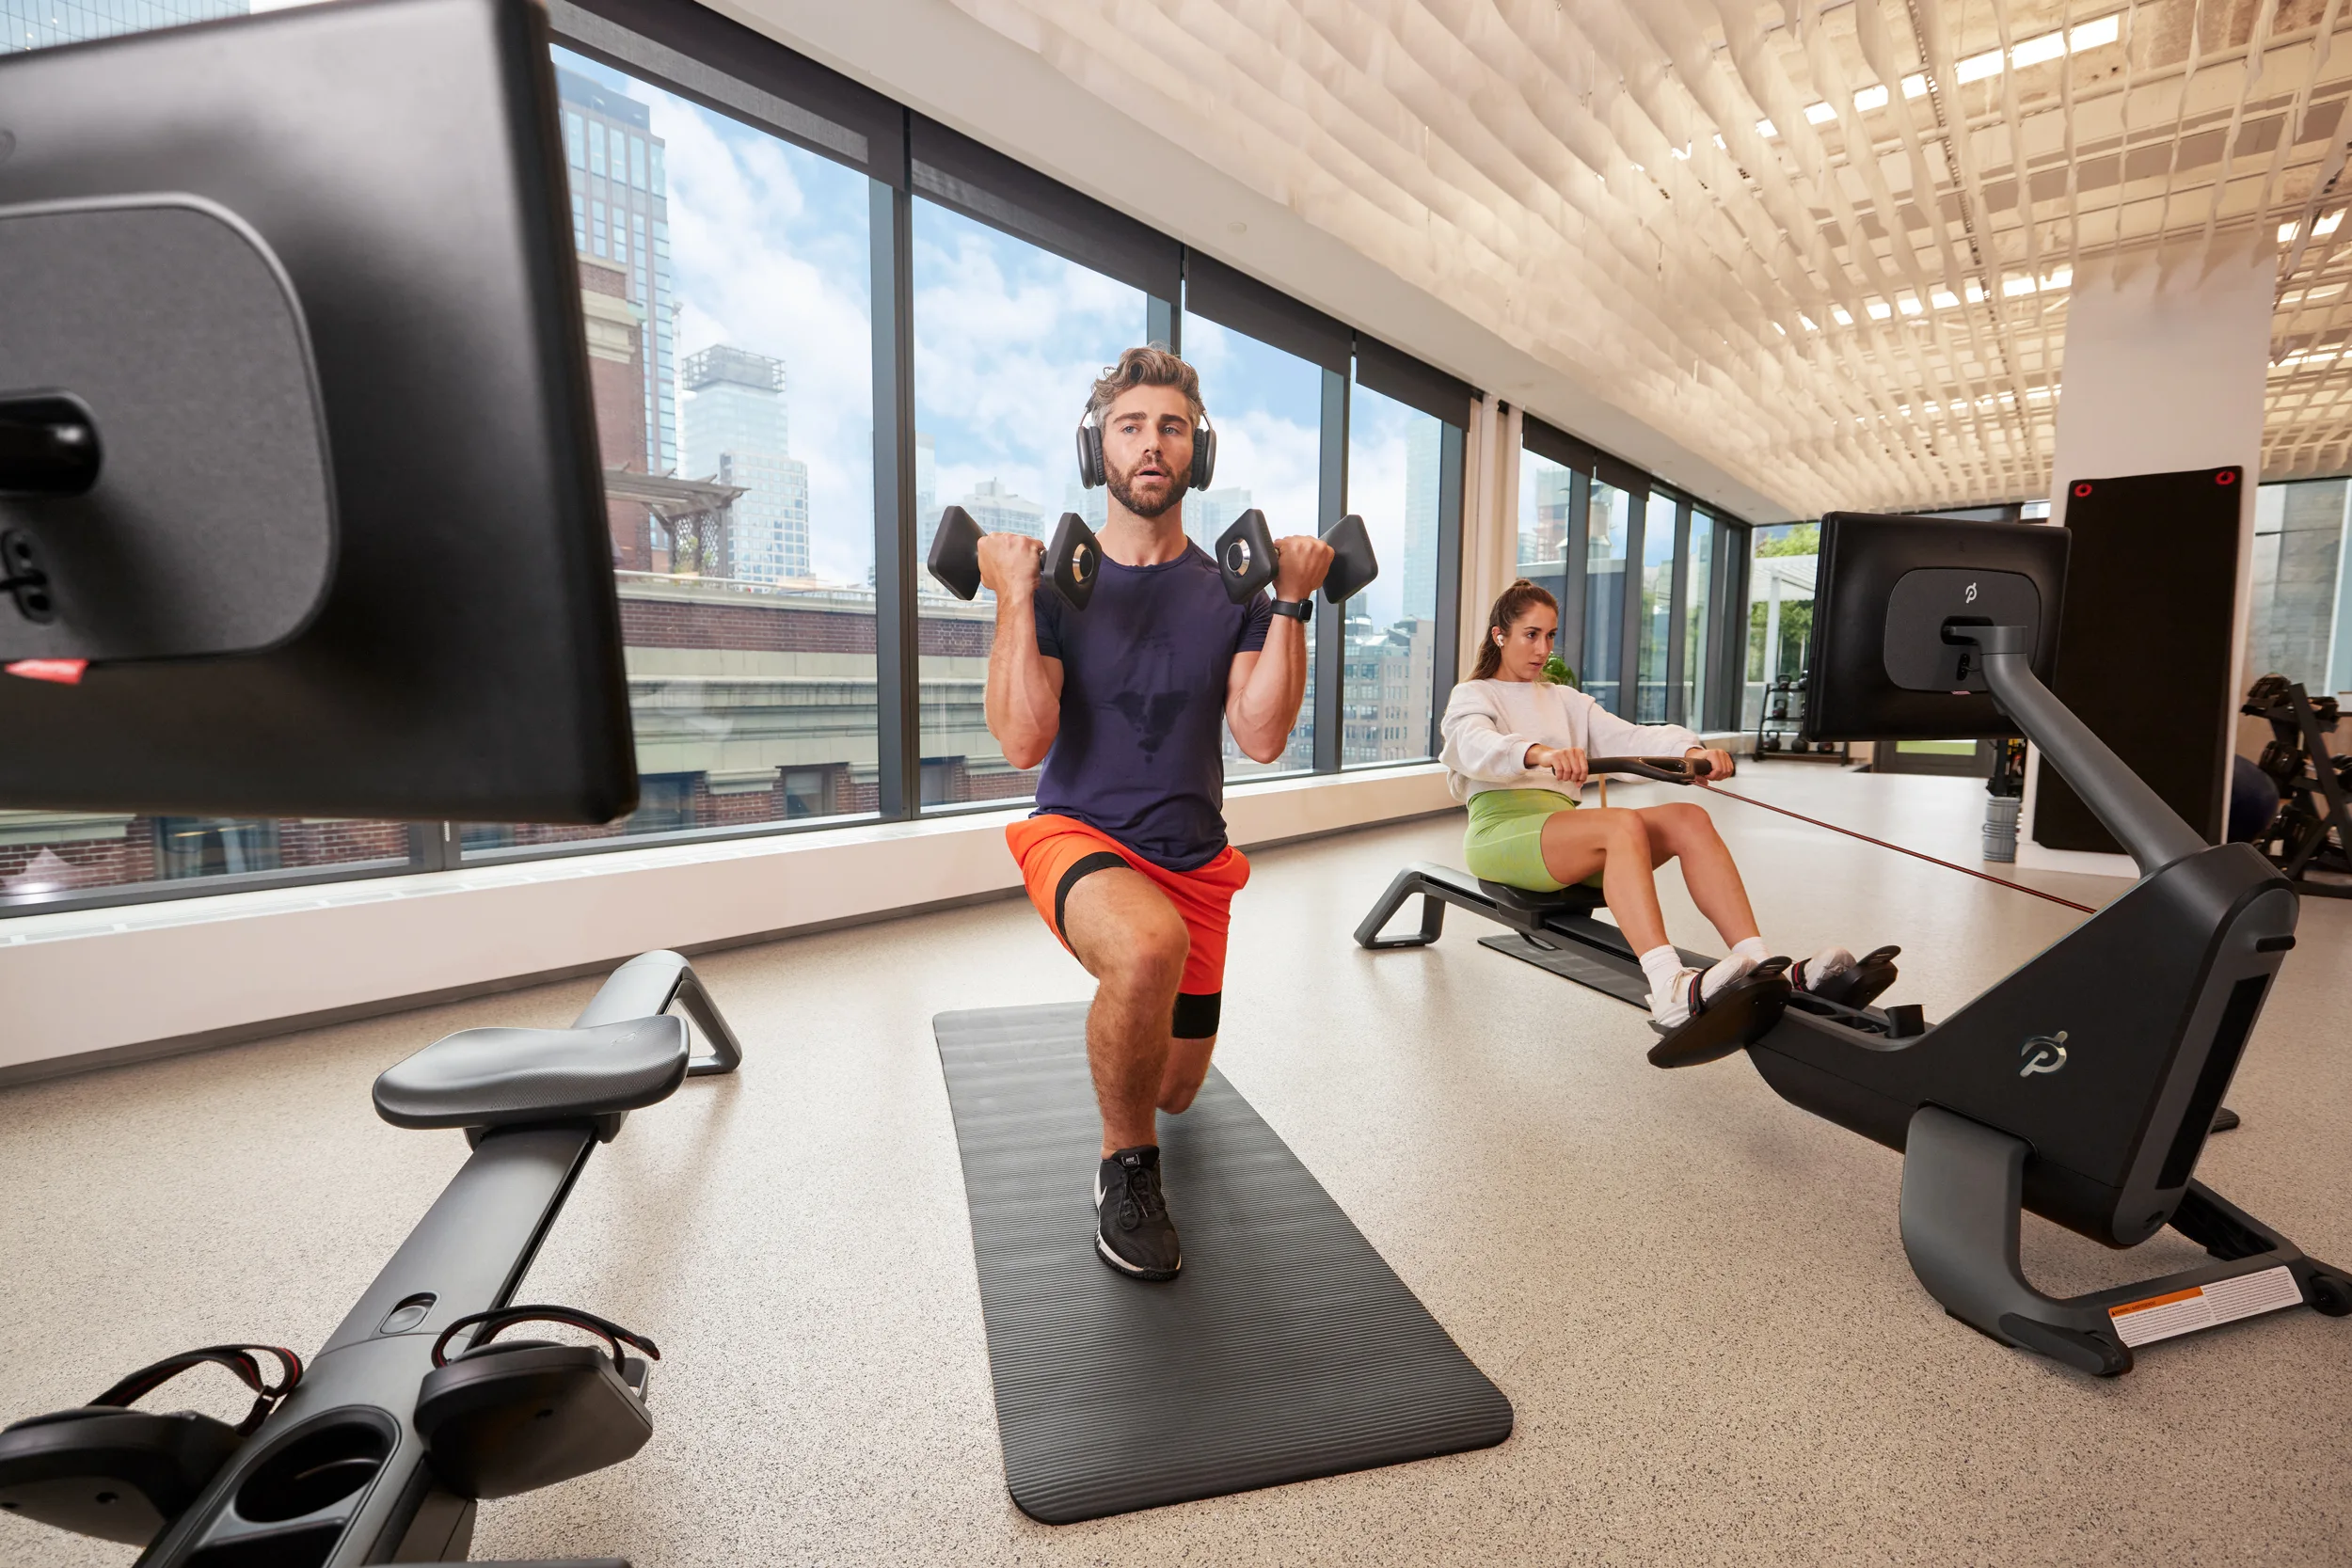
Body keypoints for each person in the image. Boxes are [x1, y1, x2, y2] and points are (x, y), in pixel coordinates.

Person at [978, 344, 1329, 1283]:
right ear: (1099, 449)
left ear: (1196, 455)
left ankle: (1129, 1048)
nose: (1151, 443)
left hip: (1195, 862)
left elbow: (1258, 736)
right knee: (1143, 949)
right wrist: (1015, 597)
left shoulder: (1234, 589)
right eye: (1130, 425)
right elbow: (1021, 741)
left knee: (1176, 1088)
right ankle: (1123, 1172)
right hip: (1077, 837)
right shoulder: (1057, 586)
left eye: (1171, 427)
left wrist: (1291, 601)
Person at [1438, 578, 1875, 1030]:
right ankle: (1667, 986)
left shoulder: (1565, 700)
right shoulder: (1475, 694)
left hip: (1563, 834)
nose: (1542, 648)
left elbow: (1632, 737)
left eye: (1550, 636)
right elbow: (1471, 743)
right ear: (1500, 635)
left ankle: (1762, 964)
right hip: (1502, 833)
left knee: (1688, 817)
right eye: (1531, 634)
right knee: (1619, 823)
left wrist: (1690, 754)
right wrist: (1540, 753)